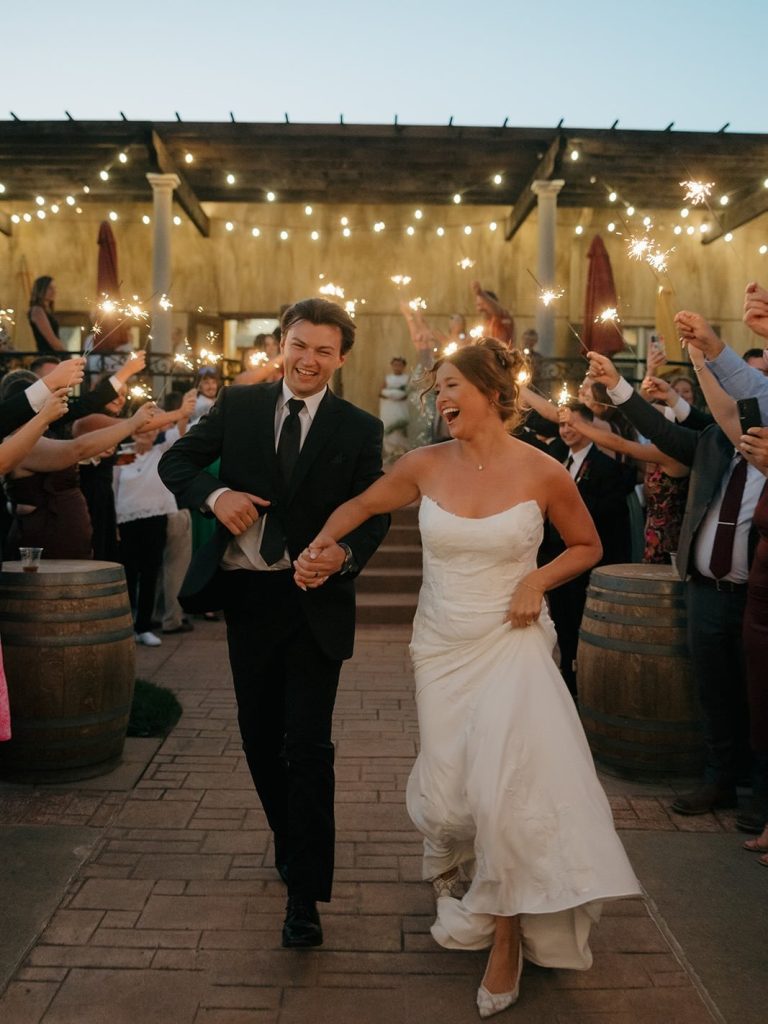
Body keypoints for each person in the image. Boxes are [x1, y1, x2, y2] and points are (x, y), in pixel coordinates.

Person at [297, 339, 640, 1015]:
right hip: (441, 647)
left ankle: (506, 937)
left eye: (452, 385)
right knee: (454, 791)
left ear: (491, 391)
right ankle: (470, 874)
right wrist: (322, 546)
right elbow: (359, 508)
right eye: (438, 389)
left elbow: (588, 545)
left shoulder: (543, 471)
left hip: (513, 642)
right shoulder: (423, 465)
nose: (441, 398)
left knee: (504, 791)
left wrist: (536, 580)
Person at [158, 298, 389, 950]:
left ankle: (304, 898)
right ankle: (290, 841)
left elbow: (375, 512)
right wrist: (215, 494)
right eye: (299, 345)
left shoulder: (359, 428)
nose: (308, 360)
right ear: (280, 345)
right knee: (260, 738)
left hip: (316, 603)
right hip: (250, 599)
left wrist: (345, 554)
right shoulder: (239, 406)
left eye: (323, 350)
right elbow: (176, 463)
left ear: (341, 358)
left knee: (308, 747)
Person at [587, 346, 763, 823]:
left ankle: (761, 793)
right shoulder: (715, 441)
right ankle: (719, 780)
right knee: (712, 692)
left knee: (759, 696)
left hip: (755, 596)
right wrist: (617, 385)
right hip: (705, 591)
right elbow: (662, 431)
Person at [0, 369, 158, 560]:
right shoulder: (21, 442)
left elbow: (72, 456)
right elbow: (77, 449)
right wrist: (132, 424)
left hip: (64, 534)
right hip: (48, 539)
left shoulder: (38, 437)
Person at [540, 404, 632, 697]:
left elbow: (612, 513)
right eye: (562, 425)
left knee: (582, 624)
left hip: (587, 563)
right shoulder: (556, 460)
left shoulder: (606, 467)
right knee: (562, 624)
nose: (566, 430)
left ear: (589, 427)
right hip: (556, 558)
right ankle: (567, 679)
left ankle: (585, 686)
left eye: (572, 424)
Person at [379, 355, 410, 459]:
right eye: (395, 365)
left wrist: (400, 395)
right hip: (389, 407)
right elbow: (380, 393)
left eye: (399, 365)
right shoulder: (388, 378)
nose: (397, 367)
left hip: (401, 406)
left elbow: (408, 393)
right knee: (389, 425)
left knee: (400, 425)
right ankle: (390, 450)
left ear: (403, 366)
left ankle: (403, 449)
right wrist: (391, 395)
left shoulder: (407, 378)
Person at [28, 276, 67, 355]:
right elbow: (52, 340)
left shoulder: (48, 310)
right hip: (47, 357)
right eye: (49, 288)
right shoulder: (37, 310)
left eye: (54, 288)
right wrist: (67, 355)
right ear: (41, 290)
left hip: (53, 355)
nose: (54, 291)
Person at [471, 280, 515, 346]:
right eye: (478, 305)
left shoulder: (504, 317)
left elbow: (497, 310)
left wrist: (481, 293)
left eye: (482, 304)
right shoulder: (485, 323)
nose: (480, 309)